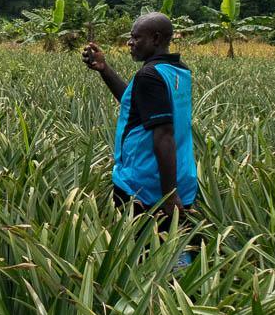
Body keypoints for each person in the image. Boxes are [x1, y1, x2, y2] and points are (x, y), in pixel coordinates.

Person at [82, 12, 197, 229]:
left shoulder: (149, 76)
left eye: (136, 38)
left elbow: (164, 136)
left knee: (141, 256)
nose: (130, 42)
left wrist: (169, 196)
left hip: (145, 186)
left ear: (155, 38)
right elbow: (137, 104)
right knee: (176, 254)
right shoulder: (177, 70)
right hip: (181, 178)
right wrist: (104, 69)